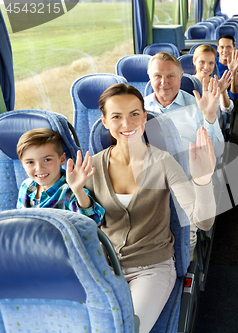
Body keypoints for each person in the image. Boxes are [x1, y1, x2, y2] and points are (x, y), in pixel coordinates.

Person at [86, 83, 216, 333]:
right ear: (104, 121)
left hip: (152, 269)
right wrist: (78, 191)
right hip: (104, 267)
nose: (127, 123)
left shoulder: (163, 162)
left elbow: (203, 222)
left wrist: (203, 181)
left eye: (135, 114)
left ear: (145, 116)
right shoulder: (91, 167)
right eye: (116, 116)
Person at [16, 128, 104, 225]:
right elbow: (20, 222)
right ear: (23, 164)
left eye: (47, 160)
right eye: (30, 162)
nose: (39, 168)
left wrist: (78, 190)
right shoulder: (26, 186)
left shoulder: (69, 190)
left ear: (62, 159)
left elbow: (94, 222)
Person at [144, 52, 224, 157]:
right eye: (157, 76)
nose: (164, 82)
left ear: (180, 76)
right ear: (150, 76)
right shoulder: (140, 108)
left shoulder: (198, 107)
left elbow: (217, 152)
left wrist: (209, 117)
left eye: (170, 76)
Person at [193, 44, 234, 117]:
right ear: (194, 61)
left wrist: (223, 92)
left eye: (211, 63)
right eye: (202, 62)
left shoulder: (217, 83)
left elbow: (227, 109)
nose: (206, 67)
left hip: (211, 125)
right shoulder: (185, 83)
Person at [216, 34, 238, 100]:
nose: (225, 50)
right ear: (218, 49)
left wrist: (233, 72)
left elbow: (234, 96)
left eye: (228, 47)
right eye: (222, 47)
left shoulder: (236, 69)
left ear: (234, 48)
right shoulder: (210, 63)